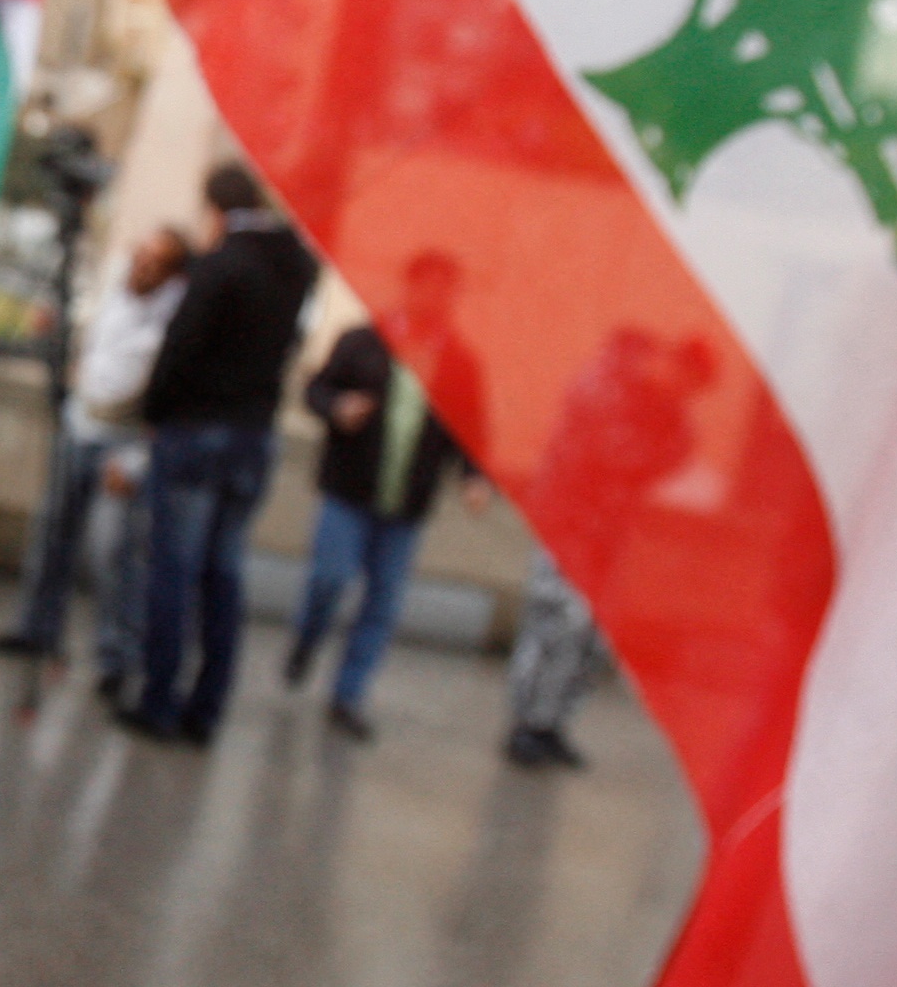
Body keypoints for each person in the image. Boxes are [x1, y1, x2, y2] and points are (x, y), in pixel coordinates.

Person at [125, 164, 320, 743]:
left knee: (173, 573)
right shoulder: (298, 266)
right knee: (224, 577)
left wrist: (154, 412)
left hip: (197, 432)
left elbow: (181, 346)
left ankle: (159, 699)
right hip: (253, 437)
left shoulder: (223, 265)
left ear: (213, 209)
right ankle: (207, 708)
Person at [282, 258, 484, 741]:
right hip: (349, 490)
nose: (435, 300)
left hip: (406, 503)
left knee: (382, 602)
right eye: (427, 288)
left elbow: (470, 431)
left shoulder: (458, 361)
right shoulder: (362, 341)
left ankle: (347, 694)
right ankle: (307, 640)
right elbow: (315, 389)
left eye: (445, 291)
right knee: (329, 578)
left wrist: (473, 477)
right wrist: (337, 408)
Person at [502, 329, 715, 768]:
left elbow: (679, 455)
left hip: (607, 535)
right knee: (554, 624)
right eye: (685, 379)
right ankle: (525, 723)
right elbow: (610, 453)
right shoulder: (609, 388)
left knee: (591, 636)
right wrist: (647, 447)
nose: (686, 392)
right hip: (566, 526)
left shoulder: (669, 414)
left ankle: (554, 722)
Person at [0, 226, 191, 671]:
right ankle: (37, 627)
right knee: (51, 535)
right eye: (140, 256)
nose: (142, 267)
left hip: (123, 443)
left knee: (111, 553)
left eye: (155, 262)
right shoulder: (118, 294)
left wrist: (139, 460)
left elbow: (168, 399)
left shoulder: (175, 319)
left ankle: (116, 655)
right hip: (80, 425)